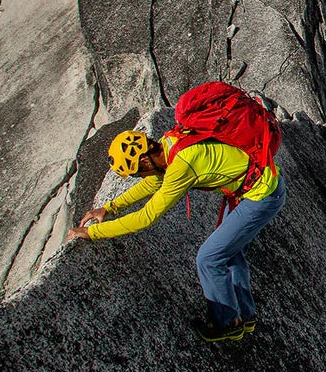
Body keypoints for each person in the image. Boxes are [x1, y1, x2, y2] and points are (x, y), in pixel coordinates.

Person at [67, 119, 286, 343]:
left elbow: (146, 217)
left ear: (144, 159)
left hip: (261, 196)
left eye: (135, 172)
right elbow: (153, 183)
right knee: (229, 252)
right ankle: (245, 316)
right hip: (260, 185)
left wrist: (93, 233)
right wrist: (109, 207)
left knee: (209, 258)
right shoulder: (169, 142)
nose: (138, 176)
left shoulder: (181, 164)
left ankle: (227, 323)